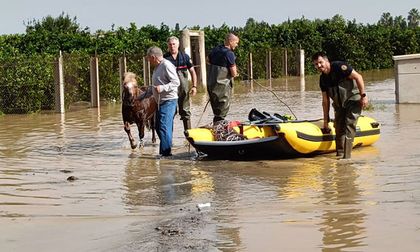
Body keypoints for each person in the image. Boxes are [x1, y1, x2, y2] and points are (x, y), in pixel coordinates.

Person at [312, 52, 369, 159]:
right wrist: (325, 122)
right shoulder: (323, 79)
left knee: (349, 125)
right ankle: (340, 154)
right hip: (339, 105)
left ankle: (346, 158)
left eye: (320, 62)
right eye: (316, 64)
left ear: (326, 61)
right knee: (338, 128)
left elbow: (358, 77)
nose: (319, 66)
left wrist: (363, 96)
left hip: (353, 101)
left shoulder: (339, 67)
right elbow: (325, 101)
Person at [146, 46, 180, 157]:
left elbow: (176, 82)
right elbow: (156, 85)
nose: (148, 61)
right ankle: (167, 148)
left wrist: (163, 88)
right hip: (160, 102)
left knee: (163, 126)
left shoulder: (166, 65)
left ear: (153, 57)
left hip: (169, 101)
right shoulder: (157, 66)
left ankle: (165, 155)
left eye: (148, 58)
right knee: (158, 126)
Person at [164, 36, 198, 131]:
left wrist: (194, 86)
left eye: (174, 44)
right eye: (170, 44)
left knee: (186, 111)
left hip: (184, 90)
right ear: (168, 46)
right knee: (170, 112)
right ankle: (168, 136)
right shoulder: (165, 59)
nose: (172, 46)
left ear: (178, 45)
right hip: (170, 91)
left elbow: (193, 72)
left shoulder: (185, 57)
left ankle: (188, 135)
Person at [207, 33, 240, 123]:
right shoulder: (229, 53)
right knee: (222, 110)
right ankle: (219, 129)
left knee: (216, 111)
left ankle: (216, 125)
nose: (236, 45)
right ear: (230, 41)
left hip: (211, 84)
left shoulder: (215, 50)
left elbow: (208, 61)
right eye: (236, 43)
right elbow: (233, 73)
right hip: (222, 86)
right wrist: (236, 74)